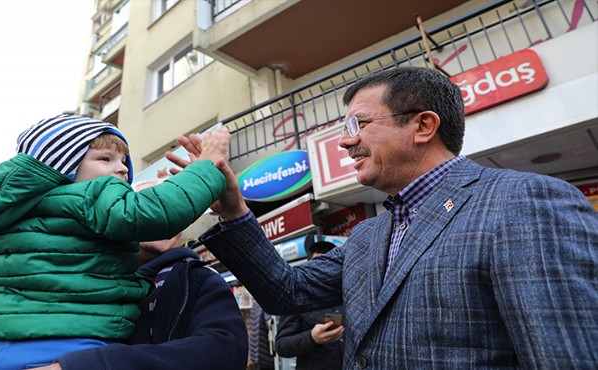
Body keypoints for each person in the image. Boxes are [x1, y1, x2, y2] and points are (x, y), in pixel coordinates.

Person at [170, 67, 598, 368]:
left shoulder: (524, 202)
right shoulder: (369, 234)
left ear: (423, 125)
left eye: (358, 122)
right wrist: (232, 207)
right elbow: (287, 290)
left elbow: (566, 355)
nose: (344, 140)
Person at [0, 113, 230, 369]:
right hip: (67, 350)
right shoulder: (91, 197)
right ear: (62, 168)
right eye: (105, 159)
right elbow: (153, 212)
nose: (122, 169)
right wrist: (205, 168)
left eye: (123, 161)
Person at [274, 241, 344, 370]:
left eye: (329, 264)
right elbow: (281, 346)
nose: (323, 269)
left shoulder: (349, 294)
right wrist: (312, 338)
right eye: (317, 264)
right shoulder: (298, 297)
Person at [247, 298, 275, 370]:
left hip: (256, 355)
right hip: (265, 356)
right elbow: (271, 325)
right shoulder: (268, 305)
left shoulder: (256, 304)